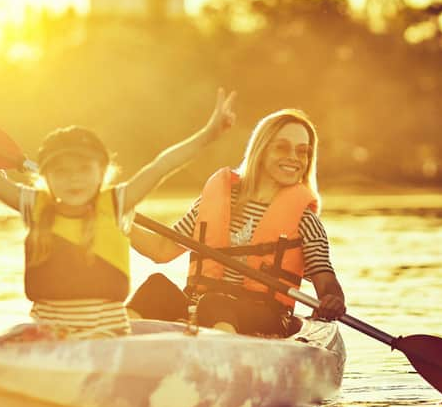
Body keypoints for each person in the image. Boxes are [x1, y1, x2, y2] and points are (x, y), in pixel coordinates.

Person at [0, 89, 237, 340]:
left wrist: (208, 135)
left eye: (82, 168)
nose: (73, 178)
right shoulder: (35, 205)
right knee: (15, 335)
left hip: (107, 344)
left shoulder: (118, 202)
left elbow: (162, 165)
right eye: (60, 171)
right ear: (45, 178)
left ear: (101, 171)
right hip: (48, 341)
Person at [126, 108, 346, 338]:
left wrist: (333, 299)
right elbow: (161, 250)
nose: (294, 157)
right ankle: (112, 350)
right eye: (282, 147)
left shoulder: (305, 221)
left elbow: (326, 280)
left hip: (266, 317)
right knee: (155, 287)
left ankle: (219, 359)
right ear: (261, 150)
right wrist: (121, 222)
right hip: (201, 307)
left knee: (216, 303)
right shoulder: (214, 202)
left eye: (303, 152)